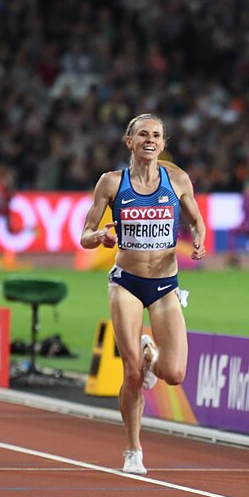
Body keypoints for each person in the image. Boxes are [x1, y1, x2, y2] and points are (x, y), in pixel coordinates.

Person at [79, 113, 206, 475]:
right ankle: (133, 449)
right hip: (127, 283)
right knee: (132, 373)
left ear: (163, 144)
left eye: (157, 135)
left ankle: (152, 353)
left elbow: (197, 219)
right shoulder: (111, 183)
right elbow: (85, 234)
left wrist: (199, 237)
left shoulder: (177, 179)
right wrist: (100, 237)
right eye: (143, 135)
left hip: (166, 285)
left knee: (176, 373)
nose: (150, 140)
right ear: (129, 141)